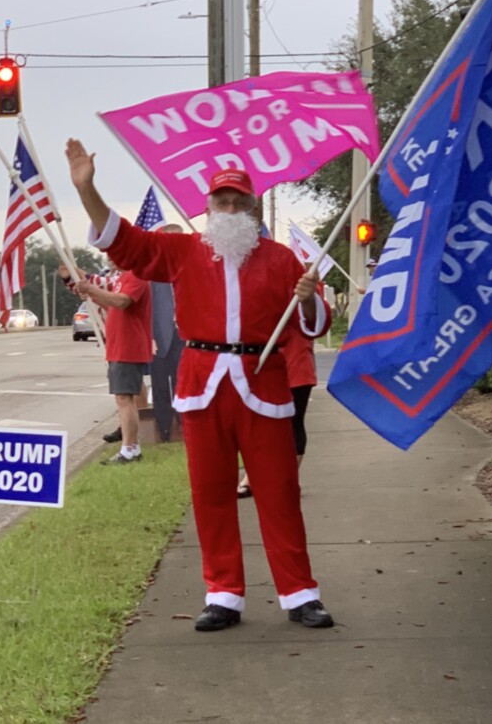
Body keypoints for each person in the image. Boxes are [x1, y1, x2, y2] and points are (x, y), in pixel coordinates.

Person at [64, 138, 335, 631]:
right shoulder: (183, 251)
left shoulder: (280, 261)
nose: (229, 209)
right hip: (202, 384)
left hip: (263, 385)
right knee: (209, 492)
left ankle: (299, 592)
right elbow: (123, 242)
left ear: (251, 209)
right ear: (208, 208)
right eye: (221, 202)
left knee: (279, 492)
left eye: (238, 202)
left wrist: (309, 298)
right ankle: (224, 594)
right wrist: (88, 189)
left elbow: (311, 324)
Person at [238, 269, 324, 498]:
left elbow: (315, 319)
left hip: (295, 364)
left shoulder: (300, 282)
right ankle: (254, 476)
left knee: (292, 424)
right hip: (261, 364)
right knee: (257, 426)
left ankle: (287, 478)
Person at [61, 260, 152, 464]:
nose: (111, 257)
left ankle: (130, 449)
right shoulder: (122, 278)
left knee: (124, 398)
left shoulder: (137, 275)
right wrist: (93, 296)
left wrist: (92, 289)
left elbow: (122, 302)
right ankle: (131, 447)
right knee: (124, 397)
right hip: (119, 344)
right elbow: (114, 307)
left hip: (129, 345)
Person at [150, 224, 185, 443]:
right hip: (160, 336)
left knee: (183, 383)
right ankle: (163, 430)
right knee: (160, 385)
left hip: (185, 335)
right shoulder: (153, 271)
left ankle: (184, 426)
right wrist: (149, 336)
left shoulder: (189, 267)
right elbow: (147, 308)